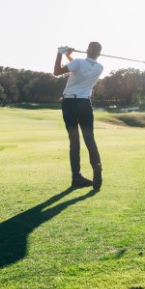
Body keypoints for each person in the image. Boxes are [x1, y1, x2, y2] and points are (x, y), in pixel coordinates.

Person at [53, 42, 104, 189]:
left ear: (87, 50)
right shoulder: (99, 67)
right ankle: (98, 174)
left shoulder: (78, 63)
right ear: (98, 54)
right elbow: (78, 68)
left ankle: (76, 178)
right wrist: (68, 55)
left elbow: (57, 71)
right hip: (85, 105)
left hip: (69, 104)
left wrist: (59, 53)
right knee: (90, 140)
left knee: (74, 142)